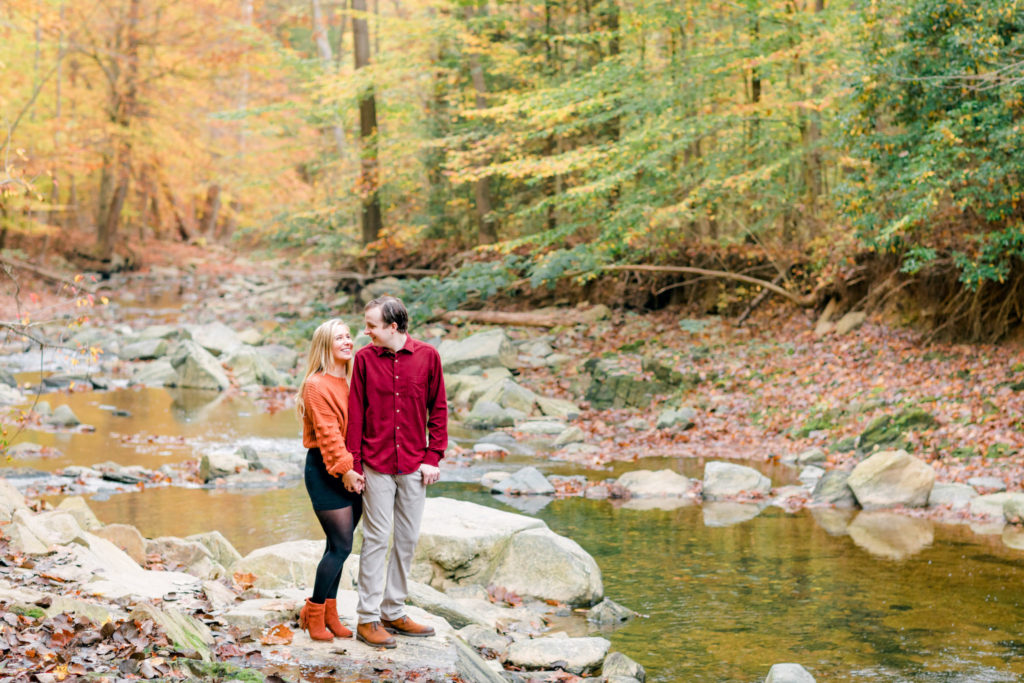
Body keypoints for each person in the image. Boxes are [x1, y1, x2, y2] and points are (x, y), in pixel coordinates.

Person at [346, 296, 448, 649]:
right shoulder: (362, 360)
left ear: (393, 326)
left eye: (372, 325)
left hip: (414, 464)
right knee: (376, 539)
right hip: (375, 464)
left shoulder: (428, 357)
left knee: (406, 539)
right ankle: (368, 618)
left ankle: (394, 610)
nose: (366, 331)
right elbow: (355, 415)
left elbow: (439, 409)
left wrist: (434, 456)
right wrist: (354, 465)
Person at [295, 319, 366, 641]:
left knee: (337, 547)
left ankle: (330, 614)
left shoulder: (353, 380)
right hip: (328, 471)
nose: (347, 341)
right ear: (325, 345)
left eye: (349, 336)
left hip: (354, 469)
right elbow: (328, 434)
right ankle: (313, 613)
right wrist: (345, 470)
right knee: (341, 546)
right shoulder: (316, 384)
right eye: (339, 338)